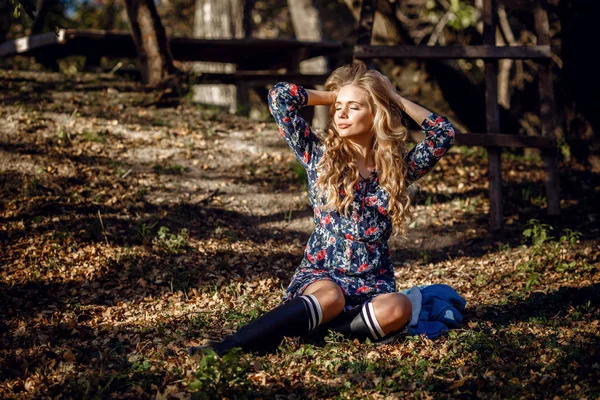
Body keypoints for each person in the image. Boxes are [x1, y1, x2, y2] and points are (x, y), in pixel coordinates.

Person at [189, 62, 456, 357]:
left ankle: (314, 329)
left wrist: (391, 96)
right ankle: (230, 346)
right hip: (323, 276)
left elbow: (442, 134)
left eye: (353, 107)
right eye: (337, 108)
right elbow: (280, 97)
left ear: (375, 113)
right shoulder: (318, 155)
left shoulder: (396, 168)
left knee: (400, 306)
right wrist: (336, 95)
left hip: (373, 282)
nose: (340, 114)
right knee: (331, 298)